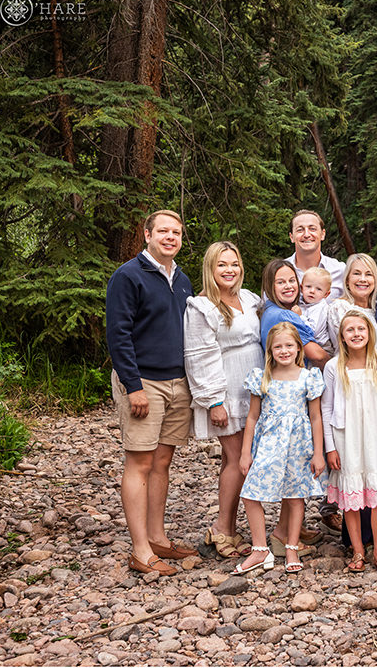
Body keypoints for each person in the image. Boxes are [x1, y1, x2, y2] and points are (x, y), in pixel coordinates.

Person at [106, 210, 197, 576]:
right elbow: (118, 334)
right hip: (144, 383)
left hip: (178, 383)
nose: (170, 237)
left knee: (162, 462)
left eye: (176, 232)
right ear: (147, 235)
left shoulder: (183, 280)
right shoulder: (128, 276)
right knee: (140, 462)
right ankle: (141, 550)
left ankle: (158, 537)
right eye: (163, 231)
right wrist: (134, 386)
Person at [183, 241, 264, 559]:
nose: (229, 270)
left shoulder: (248, 298)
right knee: (236, 459)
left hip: (254, 386)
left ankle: (230, 525)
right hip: (227, 387)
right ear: (210, 269)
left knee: (244, 458)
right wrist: (214, 400)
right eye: (222, 265)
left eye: (234, 263)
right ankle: (222, 528)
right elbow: (199, 356)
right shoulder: (202, 306)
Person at [234, 323, 327, 574]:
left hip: (298, 444)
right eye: (278, 346)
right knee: (250, 493)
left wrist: (318, 453)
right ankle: (260, 549)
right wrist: (246, 452)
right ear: (270, 350)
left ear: (299, 348)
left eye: (289, 345)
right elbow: (252, 417)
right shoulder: (262, 377)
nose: (284, 351)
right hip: (268, 444)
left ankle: (291, 546)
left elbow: (316, 417)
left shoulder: (308, 377)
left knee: (295, 495)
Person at [322, 311, 377, 576]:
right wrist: (330, 446)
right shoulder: (334, 366)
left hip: (376, 434)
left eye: (361, 329)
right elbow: (326, 408)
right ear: (341, 337)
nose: (356, 334)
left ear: (370, 332)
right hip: (347, 437)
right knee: (351, 497)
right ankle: (357, 550)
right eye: (350, 330)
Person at [259, 259, 330, 370]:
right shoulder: (284, 315)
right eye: (280, 282)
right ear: (270, 286)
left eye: (292, 280)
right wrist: (338, 372)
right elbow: (318, 356)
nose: (288, 286)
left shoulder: (268, 309)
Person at [326, 253, 377, 355]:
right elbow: (356, 352)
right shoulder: (340, 308)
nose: (362, 279)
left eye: (369, 274)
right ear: (347, 280)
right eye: (356, 274)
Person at [286, 210, 345, 301]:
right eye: (300, 230)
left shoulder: (340, 271)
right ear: (291, 237)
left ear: (322, 234)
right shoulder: (279, 271)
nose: (306, 235)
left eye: (312, 229)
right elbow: (267, 307)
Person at [297, 267, 333, 353]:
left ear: (326, 294)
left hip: (322, 347)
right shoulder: (300, 302)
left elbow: (313, 331)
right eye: (308, 286)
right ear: (301, 288)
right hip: (306, 344)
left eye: (318, 289)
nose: (312, 291)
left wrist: (299, 316)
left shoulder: (320, 307)